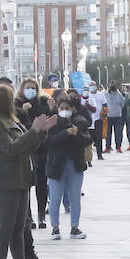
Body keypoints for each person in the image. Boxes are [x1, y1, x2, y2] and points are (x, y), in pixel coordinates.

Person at [0, 83, 57, 259]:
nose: (13, 101)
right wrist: (33, 130)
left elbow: (28, 147)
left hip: (21, 178)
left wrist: (40, 132)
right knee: (6, 227)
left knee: (19, 228)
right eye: (9, 97)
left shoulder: (12, 122)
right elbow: (11, 148)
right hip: (2, 181)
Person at [46, 92, 92, 239]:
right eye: (61, 108)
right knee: (55, 198)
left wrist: (77, 133)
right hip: (56, 166)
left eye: (67, 107)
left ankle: (74, 227)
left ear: (72, 109)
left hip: (75, 165)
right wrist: (65, 133)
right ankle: (55, 228)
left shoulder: (79, 122)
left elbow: (87, 140)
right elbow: (49, 142)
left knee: (75, 198)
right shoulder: (52, 123)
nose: (64, 110)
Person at [17, 78, 54, 228]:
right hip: (25, 148)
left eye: (33, 88)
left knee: (41, 183)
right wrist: (23, 111)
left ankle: (41, 216)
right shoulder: (17, 104)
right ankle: (28, 216)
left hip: (42, 147)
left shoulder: (43, 102)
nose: (30, 90)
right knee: (26, 183)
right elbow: (15, 123)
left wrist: (52, 109)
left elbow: (51, 121)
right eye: (27, 88)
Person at [104, 85, 125, 153]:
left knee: (118, 133)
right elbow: (104, 104)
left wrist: (118, 110)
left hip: (118, 117)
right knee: (108, 133)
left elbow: (122, 104)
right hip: (108, 116)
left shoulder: (119, 95)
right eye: (112, 92)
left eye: (115, 91)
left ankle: (118, 147)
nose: (113, 93)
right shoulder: (106, 95)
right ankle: (108, 147)